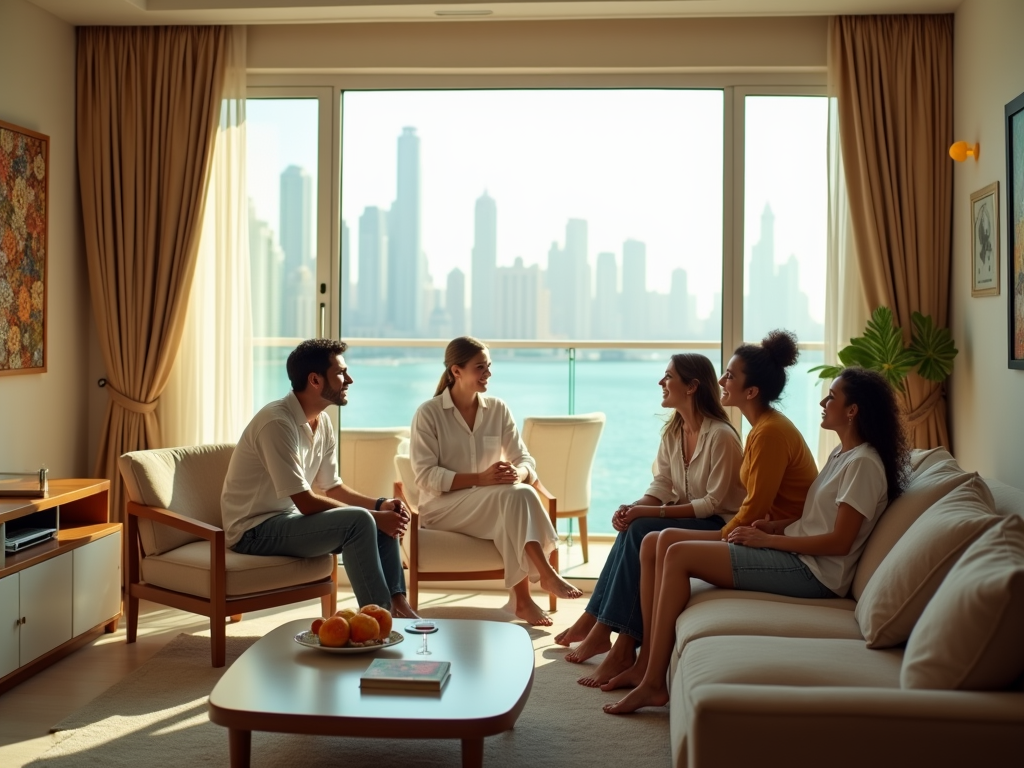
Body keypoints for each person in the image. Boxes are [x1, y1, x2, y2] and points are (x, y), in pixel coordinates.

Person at [603, 366, 910, 713]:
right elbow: (815, 519)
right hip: (797, 554)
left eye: (833, 397)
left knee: (677, 555)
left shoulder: (864, 465)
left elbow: (839, 542)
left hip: (816, 573)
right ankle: (645, 666)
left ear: (853, 410)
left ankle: (653, 682)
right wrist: (776, 527)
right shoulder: (842, 454)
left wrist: (769, 542)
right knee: (663, 543)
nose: (824, 402)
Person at [585, 329, 819, 690]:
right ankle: (627, 647)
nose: (722, 380)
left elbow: (748, 507)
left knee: (651, 536)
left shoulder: (761, 433)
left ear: (751, 391)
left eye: (730, 375)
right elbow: (664, 484)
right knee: (642, 532)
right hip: (765, 528)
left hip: (757, 531)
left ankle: (634, 655)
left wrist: (719, 537)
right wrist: (638, 507)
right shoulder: (757, 430)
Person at [554, 354, 745, 687]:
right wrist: (634, 507)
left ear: (692, 386)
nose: (661, 382)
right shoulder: (674, 430)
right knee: (634, 524)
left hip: (720, 525)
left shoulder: (721, 436)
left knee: (643, 526)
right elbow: (662, 485)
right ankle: (596, 624)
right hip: (692, 518)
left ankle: (610, 635)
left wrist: (649, 513)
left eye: (668, 376)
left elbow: (712, 503)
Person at [221, 338, 418, 619]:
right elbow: (305, 502)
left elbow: (332, 488)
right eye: (340, 373)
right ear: (315, 380)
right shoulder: (276, 423)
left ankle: (399, 606)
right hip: (252, 531)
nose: (349, 379)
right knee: (363, 520)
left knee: (375, 515)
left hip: (287, 521)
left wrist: (381, 504)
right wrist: (373, 516)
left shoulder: (322, 421)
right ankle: (379, 620)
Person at [409, 336, 583, 627]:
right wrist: (481, 478)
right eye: (480, 367)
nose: (488, 373)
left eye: (489, 366)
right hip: (442, 508)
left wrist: (520, 474)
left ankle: (523, 601)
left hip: (493, 503)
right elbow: (426, 477)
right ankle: (544, 578)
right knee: (515, 498)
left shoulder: (498, 409)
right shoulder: (429, 414)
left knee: (516, 495)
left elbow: (525, 459)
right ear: (456, 371)